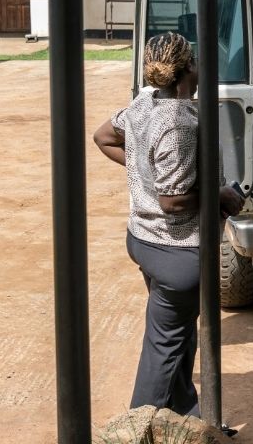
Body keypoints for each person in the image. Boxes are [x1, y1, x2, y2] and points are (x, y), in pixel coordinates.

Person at [93, 32, 244, 415]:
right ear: (190, 66)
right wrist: (221, 196)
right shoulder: (177, 121)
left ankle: (186, 416)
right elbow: (174, 201)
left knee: (176, 337)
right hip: (177, 249)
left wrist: (142, 171)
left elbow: (104, 136)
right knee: (164, 346)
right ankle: (136, 429)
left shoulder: (144, 103)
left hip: (145, 239)